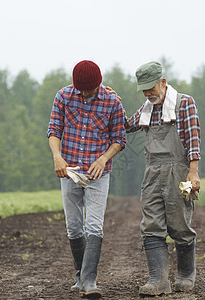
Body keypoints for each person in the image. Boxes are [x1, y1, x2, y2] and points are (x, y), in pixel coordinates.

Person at [47, 60, 126, 299]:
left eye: (89, 89)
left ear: (99, 83)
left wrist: (103, 159)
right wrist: (57, 157)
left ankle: (90, 281)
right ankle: (80, 276)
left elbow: (120, 138)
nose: (85, 93)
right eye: (81, 89)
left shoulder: (112, 102)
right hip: (70, 169)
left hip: (98, 172)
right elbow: (53, 130)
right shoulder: (63, 96)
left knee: (94, 225)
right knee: (73, 226)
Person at [125, 61, 201, 296]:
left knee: (179, 225)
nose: (148, 94)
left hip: (179, 172)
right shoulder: (147, 108)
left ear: (163, 82)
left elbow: (193, 139)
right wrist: (113, 102)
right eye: (144, 90)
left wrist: (193, 171)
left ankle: (186, 274)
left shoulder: (184, 103)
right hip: (152, 173)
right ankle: (158, 280)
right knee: (151, 225)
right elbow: (127, 125)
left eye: (151, 88)